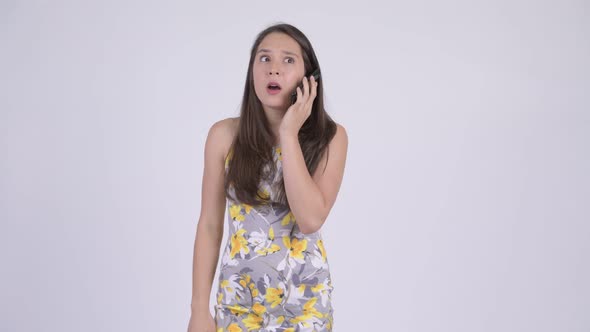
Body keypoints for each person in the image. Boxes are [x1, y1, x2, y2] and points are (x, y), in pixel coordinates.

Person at [187, 22, 348, 332]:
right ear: (252, 72)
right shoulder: (223, 136)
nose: (274, 69)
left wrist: (289, 133)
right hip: (237, 304)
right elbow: (208, 225)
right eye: (264, 59)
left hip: (304, 305)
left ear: (308, 78)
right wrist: (198, 310)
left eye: (288, 60)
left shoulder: (331, 137)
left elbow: (310, 218)